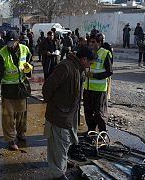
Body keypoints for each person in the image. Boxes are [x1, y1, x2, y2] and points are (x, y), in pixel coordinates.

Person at [43, 47, 94, 180]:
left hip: (69, 114)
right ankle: (58, 174)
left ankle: (62, 164)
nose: (91, 66)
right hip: (59, 113)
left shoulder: (78, 68)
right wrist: (54, 105)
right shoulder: (65, 67)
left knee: (66, 142)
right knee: (58, 146)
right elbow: (48, 88)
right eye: (90, 63)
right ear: (83, 59)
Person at [0, 31, 33, 150]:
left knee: (21, 114)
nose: (10, 44)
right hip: (8, 89)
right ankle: (10, 139)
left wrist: (28, 68)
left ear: (17, 41)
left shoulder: (25, 49)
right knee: (8, 117)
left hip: (21, 87)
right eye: (8, 42)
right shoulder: (2, 54)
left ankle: (21, 133)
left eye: (12, 42)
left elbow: (30, 62)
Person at [84, 33, 113, 133]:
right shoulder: (88, 52)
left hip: (99, 89)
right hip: (87, 87)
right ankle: (91, 131)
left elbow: (109, 72)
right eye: (90, 41)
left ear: (99, 43)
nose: (91, 44)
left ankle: (103, 132)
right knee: (88, 111)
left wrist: (94, 76)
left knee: (99, 112)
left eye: (93, 42)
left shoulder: (105, 53)